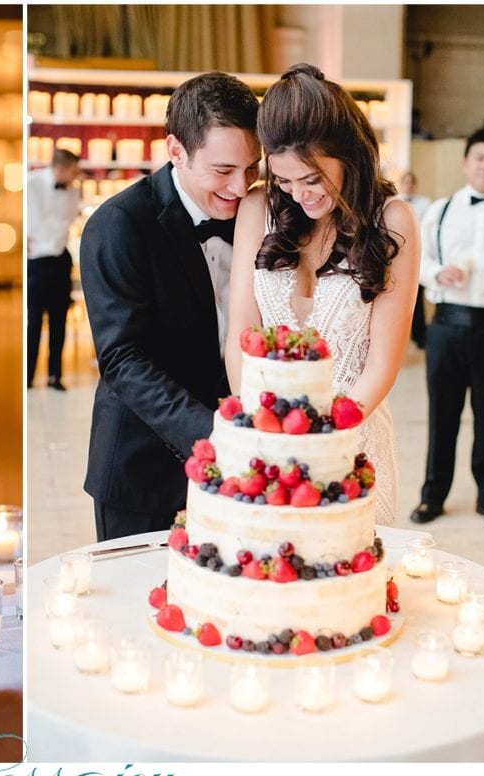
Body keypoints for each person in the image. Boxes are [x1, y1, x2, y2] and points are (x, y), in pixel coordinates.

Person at [227, 64, 420, 527]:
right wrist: (259, 426)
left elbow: (382, 365)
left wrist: (323, 439)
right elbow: (241, 332)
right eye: (286, 181)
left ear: (348, 155)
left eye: (312, 180)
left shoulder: (393, 221)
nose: (298, 196)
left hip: (354, 437)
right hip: (268, 440)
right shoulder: (258, 209)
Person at [80, 72, 260, 540]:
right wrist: (215, 434)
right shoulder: (119, 224)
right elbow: (123, 359)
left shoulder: (259, 219)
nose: (240, 188)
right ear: (176, 151)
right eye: (223, 171)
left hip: (242, 472)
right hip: (145, 471)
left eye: (252, 169)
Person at [410, 129, 484, 527]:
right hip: (446, 326)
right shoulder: (442, 209)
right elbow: (418, 262)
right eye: (480, 157)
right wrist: (435, 274)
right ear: (466, 162)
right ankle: (433, 497)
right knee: (441, 417)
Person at [27, 149, 82, 391]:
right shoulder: (32, 184)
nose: (75, 175)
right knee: (33, 322)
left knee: (59, 322)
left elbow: (68, 222)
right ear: (60, 168)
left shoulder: (73, 192)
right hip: (36, 261)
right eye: (73, 170)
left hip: (59, 260)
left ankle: (55, 376)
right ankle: (27, 376)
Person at [397, 171, 432, 348]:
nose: (409, 186)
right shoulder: (394, 201)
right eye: (406, 182)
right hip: (399, 256)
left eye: (411, 182)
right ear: (402, 184)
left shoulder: (426, 204)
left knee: (417, 297)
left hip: (419, 254)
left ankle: (419, 336)